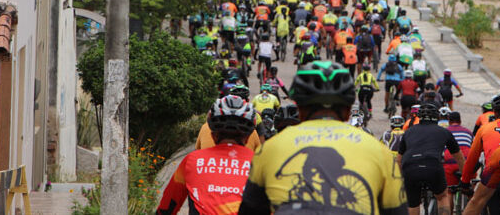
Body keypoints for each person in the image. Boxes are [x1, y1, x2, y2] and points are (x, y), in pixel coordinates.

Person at [238, 61, 408, 214]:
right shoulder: (379, 151)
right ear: (349, 110)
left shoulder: (269, 148)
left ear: (300, 109)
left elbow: (250, 209)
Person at [157, 95, 256, 215]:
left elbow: (167, 207)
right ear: (247, 138)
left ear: (213, 136)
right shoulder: (261, 163)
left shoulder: (192, 160)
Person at [399, 103, 466, 215]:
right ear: (437, 117)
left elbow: (399, 159)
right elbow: (459, 158)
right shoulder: (444, 132)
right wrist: (465, 178)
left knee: (413, 203)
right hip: (432, 165)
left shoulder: (408, 132)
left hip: (410, 167)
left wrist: (400, 178)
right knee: (442, 196)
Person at [460, 92, 500, 215]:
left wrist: (465, 181)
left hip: (492, 181)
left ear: (494, 112)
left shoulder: (484, 129)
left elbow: (472, 159)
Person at [443, 112, 473, 192]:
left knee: (448, 191)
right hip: (467, 163)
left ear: (449, 121)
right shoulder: (468, 132)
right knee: (470, 189)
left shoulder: (444, 132)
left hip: (449, 163)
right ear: (460, 121)